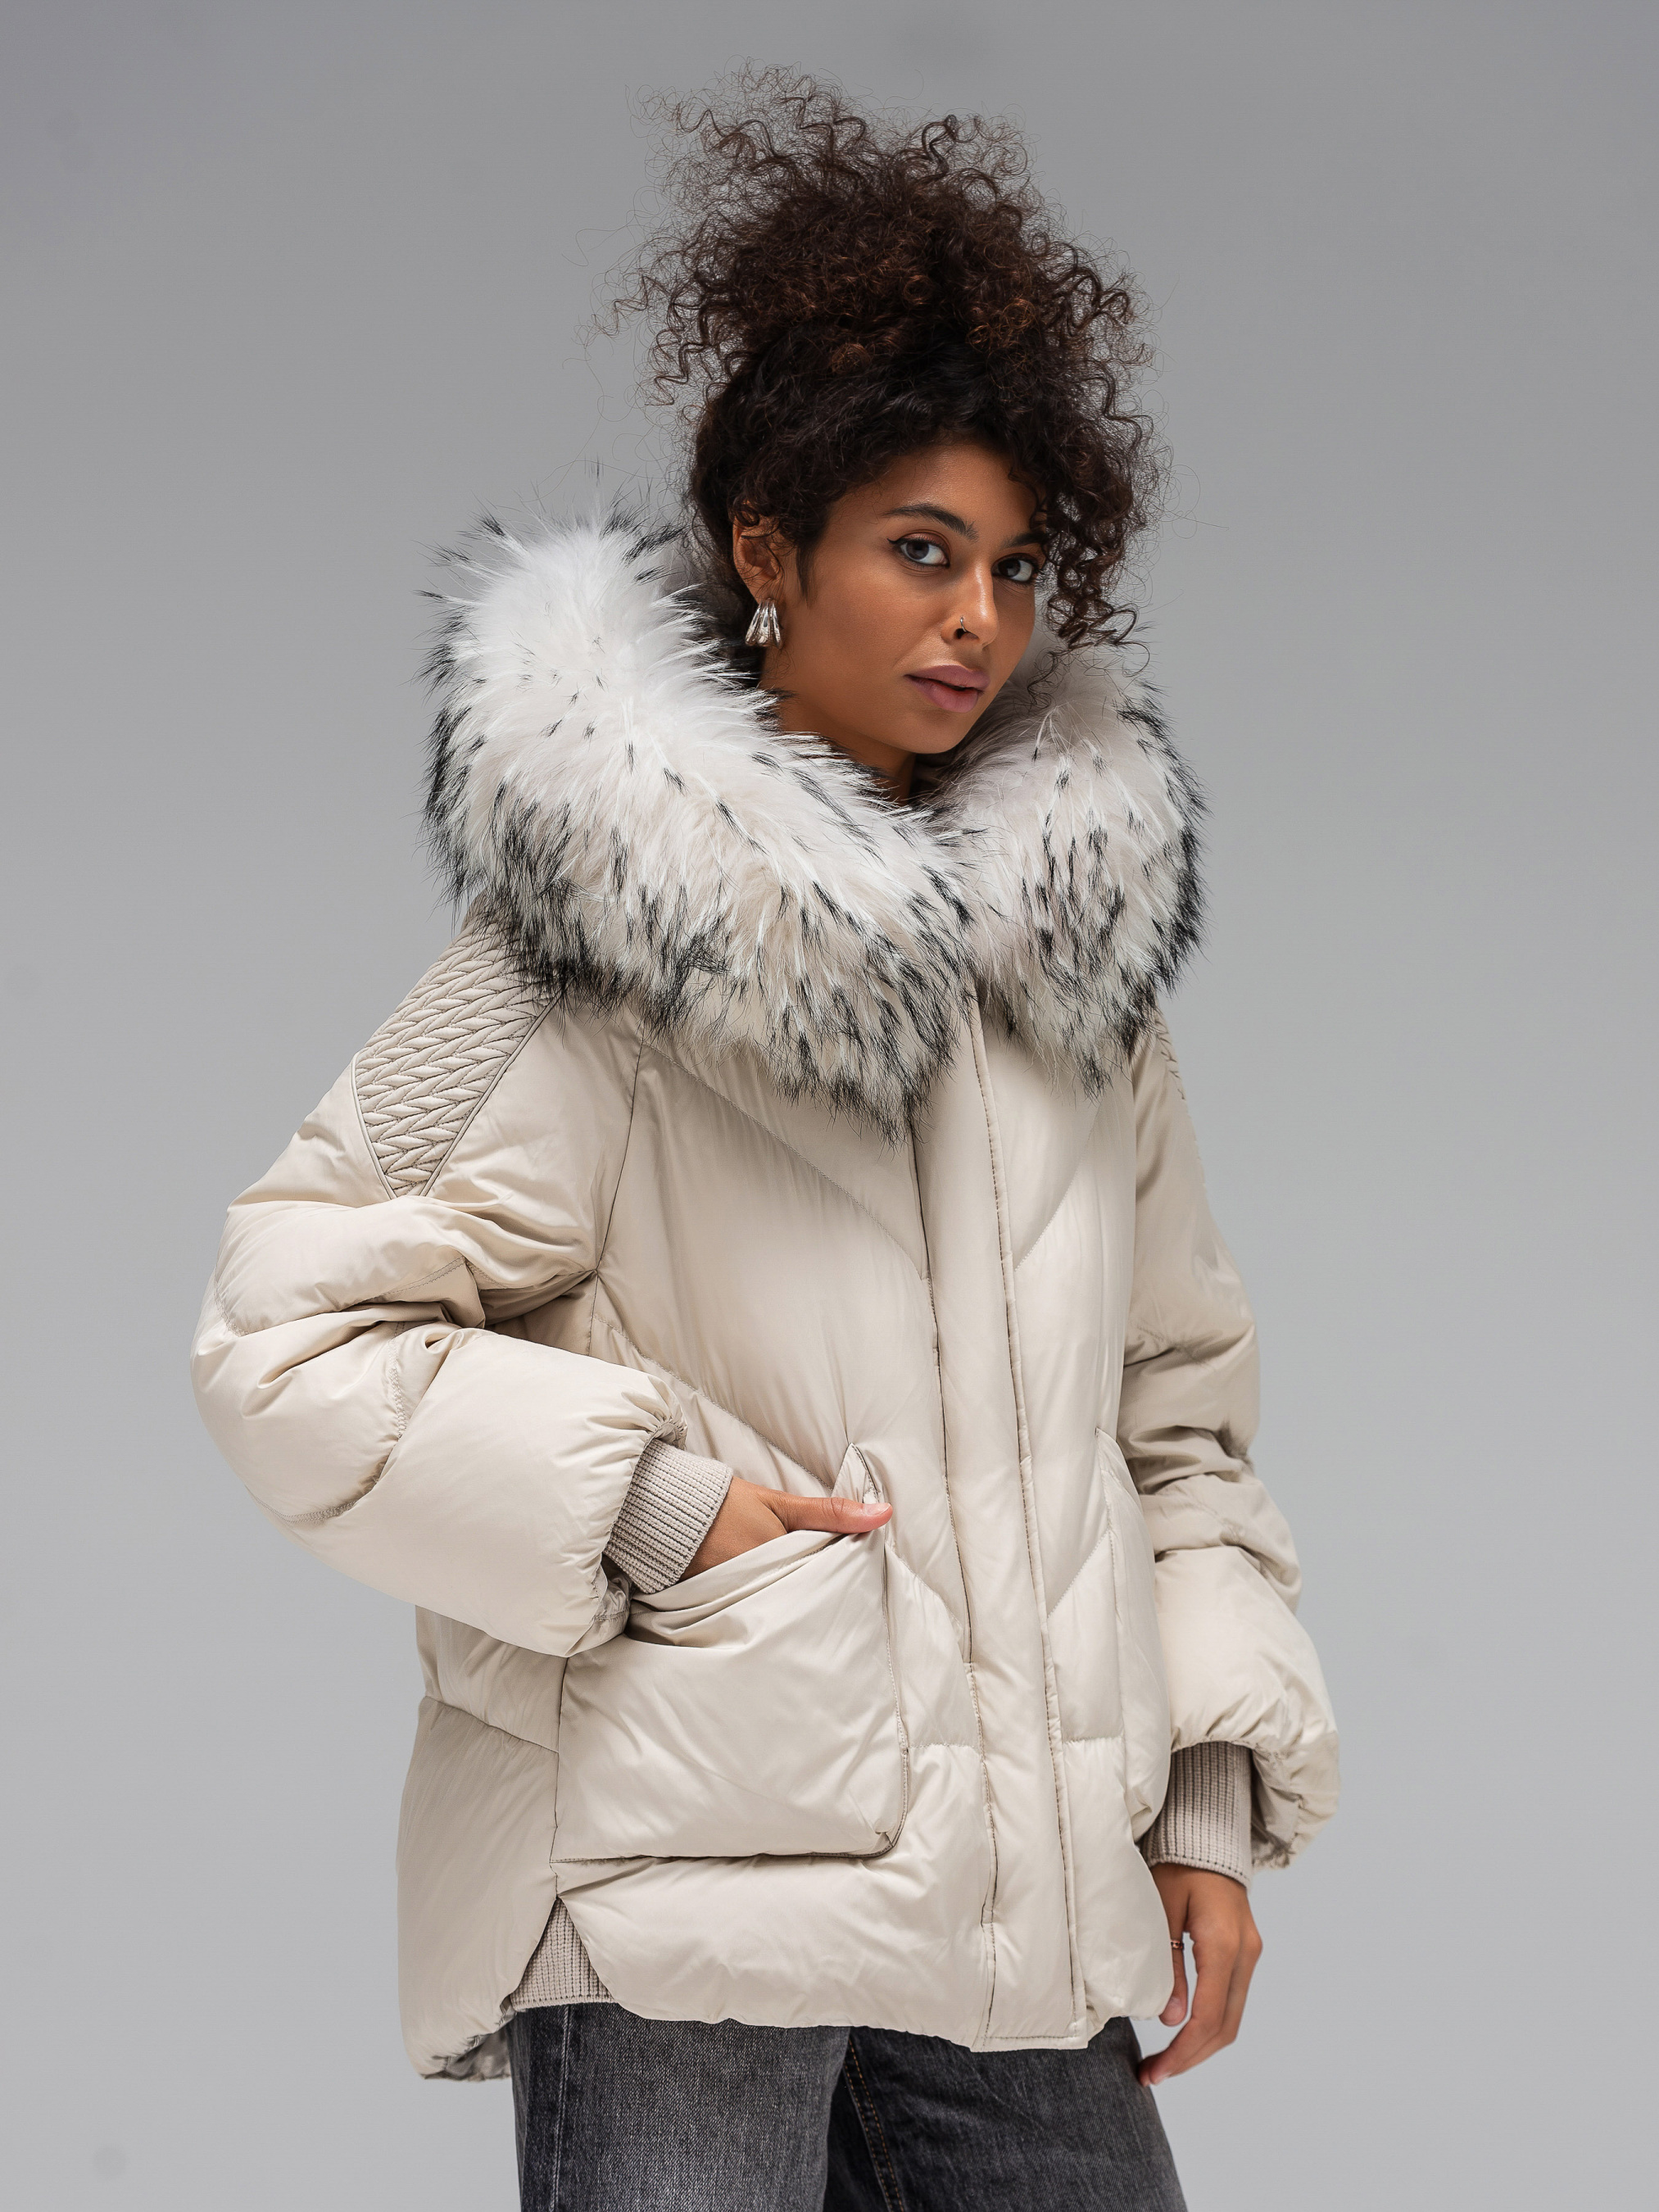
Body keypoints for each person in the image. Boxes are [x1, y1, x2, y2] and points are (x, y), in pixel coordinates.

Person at [193, 72, 1338, 2212]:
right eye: (919, 552)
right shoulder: (573, 951)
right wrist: (658, 1507)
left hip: (1014, 1911)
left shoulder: (1077, 981)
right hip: (678, 1896)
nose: (975, 617)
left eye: (1012, 565)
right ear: (763, 553)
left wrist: (1202, 1801)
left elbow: (1173, 1423)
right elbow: (289, 1333)